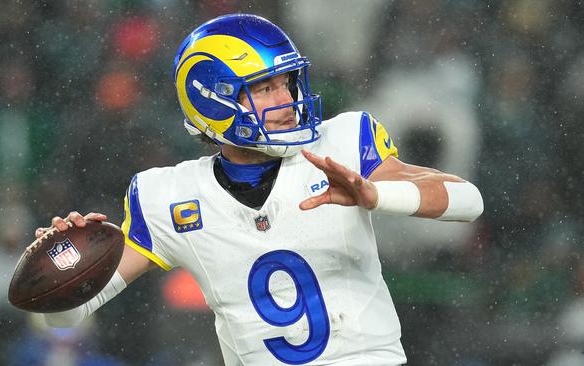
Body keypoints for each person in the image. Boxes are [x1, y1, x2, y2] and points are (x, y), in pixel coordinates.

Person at [37, 14, 483, 366]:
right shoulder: (168, 196)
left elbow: (468, 201)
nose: (287, 100)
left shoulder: (344, 142)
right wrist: (61, 265)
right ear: (215, 98)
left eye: (287, 83)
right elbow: (65, 315)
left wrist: (377, 195)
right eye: (266, 87)